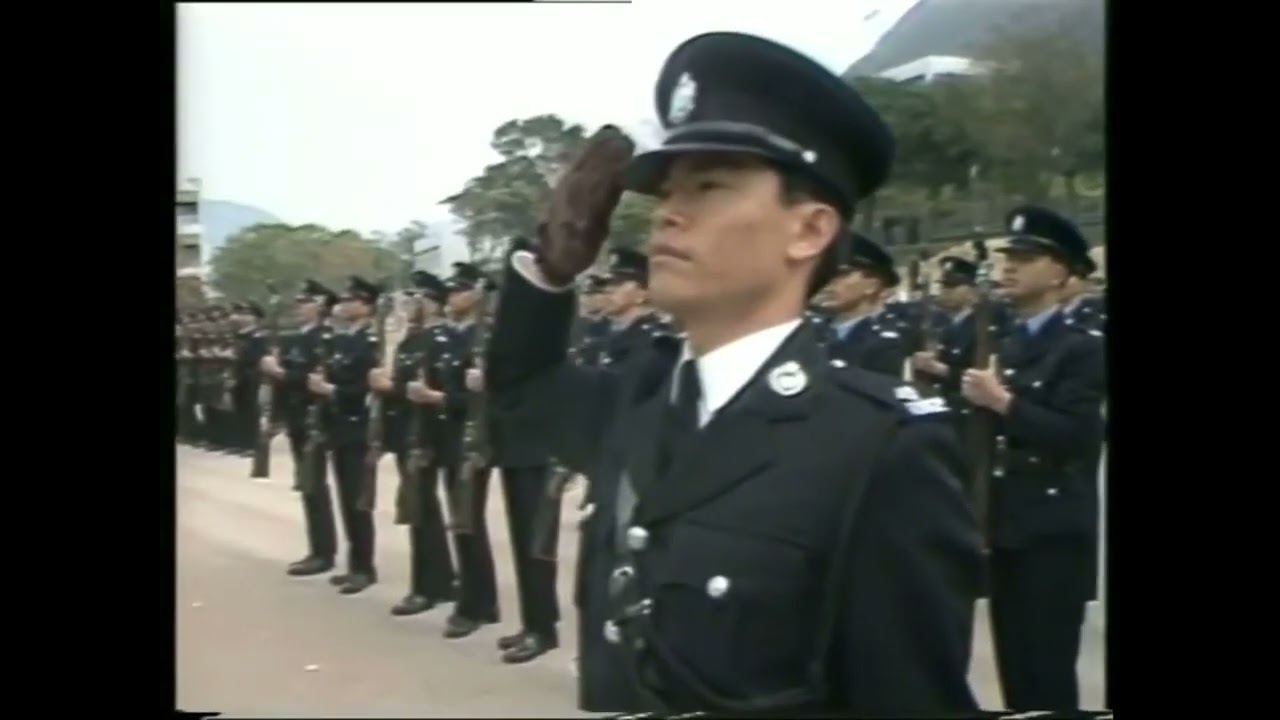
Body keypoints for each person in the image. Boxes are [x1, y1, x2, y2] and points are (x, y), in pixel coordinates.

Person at [485, 32, 981, 716]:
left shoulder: (879, 446)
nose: (668, 213)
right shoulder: (641, 396)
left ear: (808, 231)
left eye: (710, 186)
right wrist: (547, 272)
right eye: (667, 192)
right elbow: (520, 398)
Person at [961, 206, 1106, 712]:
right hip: (1004, 523)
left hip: (1052, 529)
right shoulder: (1003, 340)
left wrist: (1004, 403)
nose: (1009, 267)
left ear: (1061, 272)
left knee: (1048, 672)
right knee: (1015, 672)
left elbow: (1078, 437)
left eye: (1025, 259)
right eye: (1008, 258)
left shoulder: (1081, 348)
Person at [373, 271, 458, 615]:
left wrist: (389, 386)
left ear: (434, 303)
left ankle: (429, 586)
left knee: (425, 510)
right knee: (420, 509)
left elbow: (424, 389)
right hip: (409, 432)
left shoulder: (437, 339)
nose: (410, 304)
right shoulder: (411, 339)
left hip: (430, 433)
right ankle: (439, 579)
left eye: (417, 299)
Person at [307, 276, 382, 594]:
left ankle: (365, 568)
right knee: (345, 499)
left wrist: (331, 390)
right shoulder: (341, 340)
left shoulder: (372, 341)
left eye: (352, 300)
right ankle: (354, 564)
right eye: (344, 300)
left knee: (358, 501)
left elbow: (367, 388)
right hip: (338, 426)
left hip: (359, 426)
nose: (344, 305)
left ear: (367, 306)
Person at [260, 281, 340, 577]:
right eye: (299, 302)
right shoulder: (295, 338)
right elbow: (282, 384)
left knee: (315, 485)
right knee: (308, 486)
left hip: (315, 419)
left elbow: (309, 378)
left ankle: (324, 552)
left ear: (320, 306)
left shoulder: (325, 338)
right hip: (296, 418)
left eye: (305, 302)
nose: (299, 307)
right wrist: (275, 417)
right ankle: (317, 549)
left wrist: (278, 371)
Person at [439, 263, 502, 639]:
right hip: (450, 435)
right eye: (450, 291)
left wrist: (447, 397)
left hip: (476, 437)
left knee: (467, 520)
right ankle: (481, 599)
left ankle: (474, 604)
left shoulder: (487, 337)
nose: (453, 297)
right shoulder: (449, 336)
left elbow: (491, 396)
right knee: (461, 520)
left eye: (460, 291)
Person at [818, 231, 910, 379]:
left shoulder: (883, 343)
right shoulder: (813, 330)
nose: (828, 282)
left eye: (841, 275)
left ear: (871, 286)